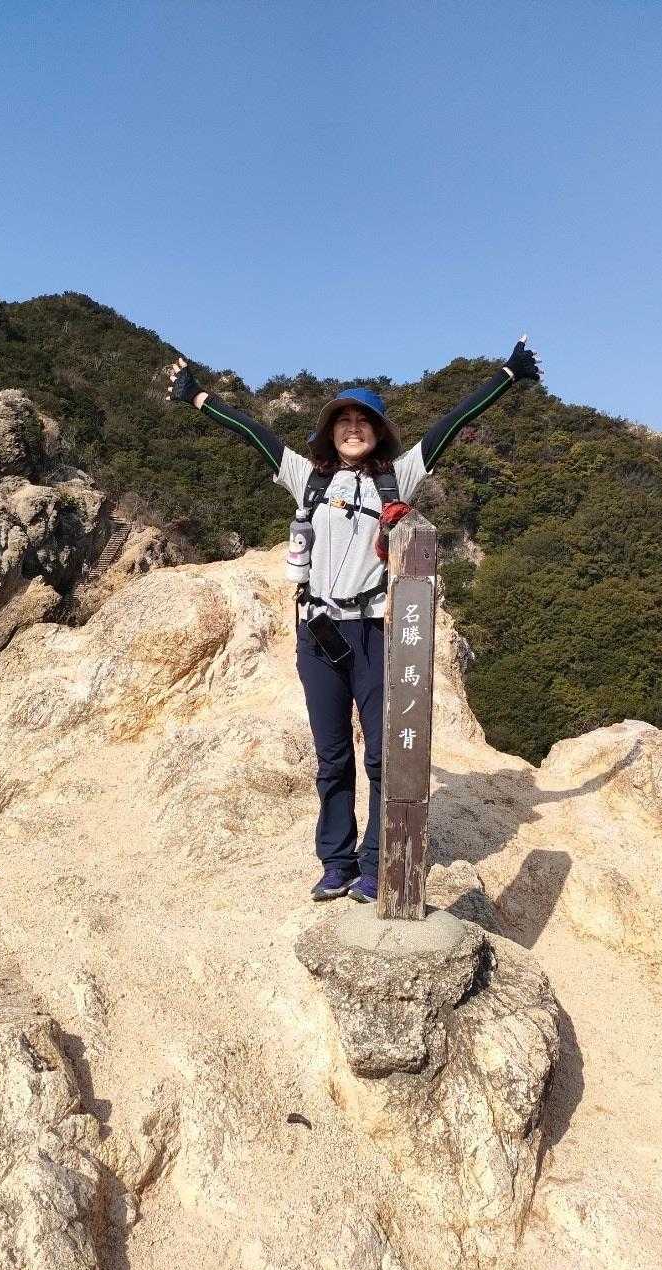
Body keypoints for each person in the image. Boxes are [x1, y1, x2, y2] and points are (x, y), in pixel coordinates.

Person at [165, 338, 542, 903]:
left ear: (379, 432)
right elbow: (254, 433)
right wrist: (198, 397)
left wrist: (508, 376)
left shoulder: (398, 478)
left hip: (372, 632)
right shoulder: (307, 477)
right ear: (329, 431)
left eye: (363, 421)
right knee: (332, 757)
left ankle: (374, 863)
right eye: (343, 420)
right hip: (317, 633)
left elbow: (451, 423)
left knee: (384, 757)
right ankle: (335, 863)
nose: (353, 428)